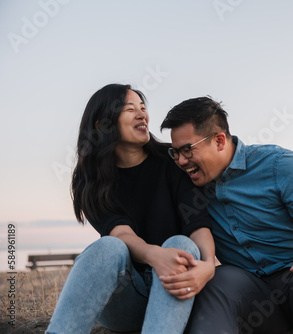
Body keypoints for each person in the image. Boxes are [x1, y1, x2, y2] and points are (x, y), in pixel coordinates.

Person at [161, 97, 293, 334]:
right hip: (251, 303)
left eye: (188, 150)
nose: (182, 161)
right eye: (176, 152)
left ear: (219, 140)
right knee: (218, 278)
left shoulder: (278, 164)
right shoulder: (187, 186)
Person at [46, 85, 216, 334]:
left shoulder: (172, 161)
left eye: (143, 108)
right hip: (126, 299)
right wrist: (156, 256)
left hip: (177, 291)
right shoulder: (91, 179)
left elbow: (197, 223)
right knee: (108, 247)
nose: (142, 115)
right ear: (101, 124)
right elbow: (121, 234)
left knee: (180, 243)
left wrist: (209, 265)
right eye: (130, 109)